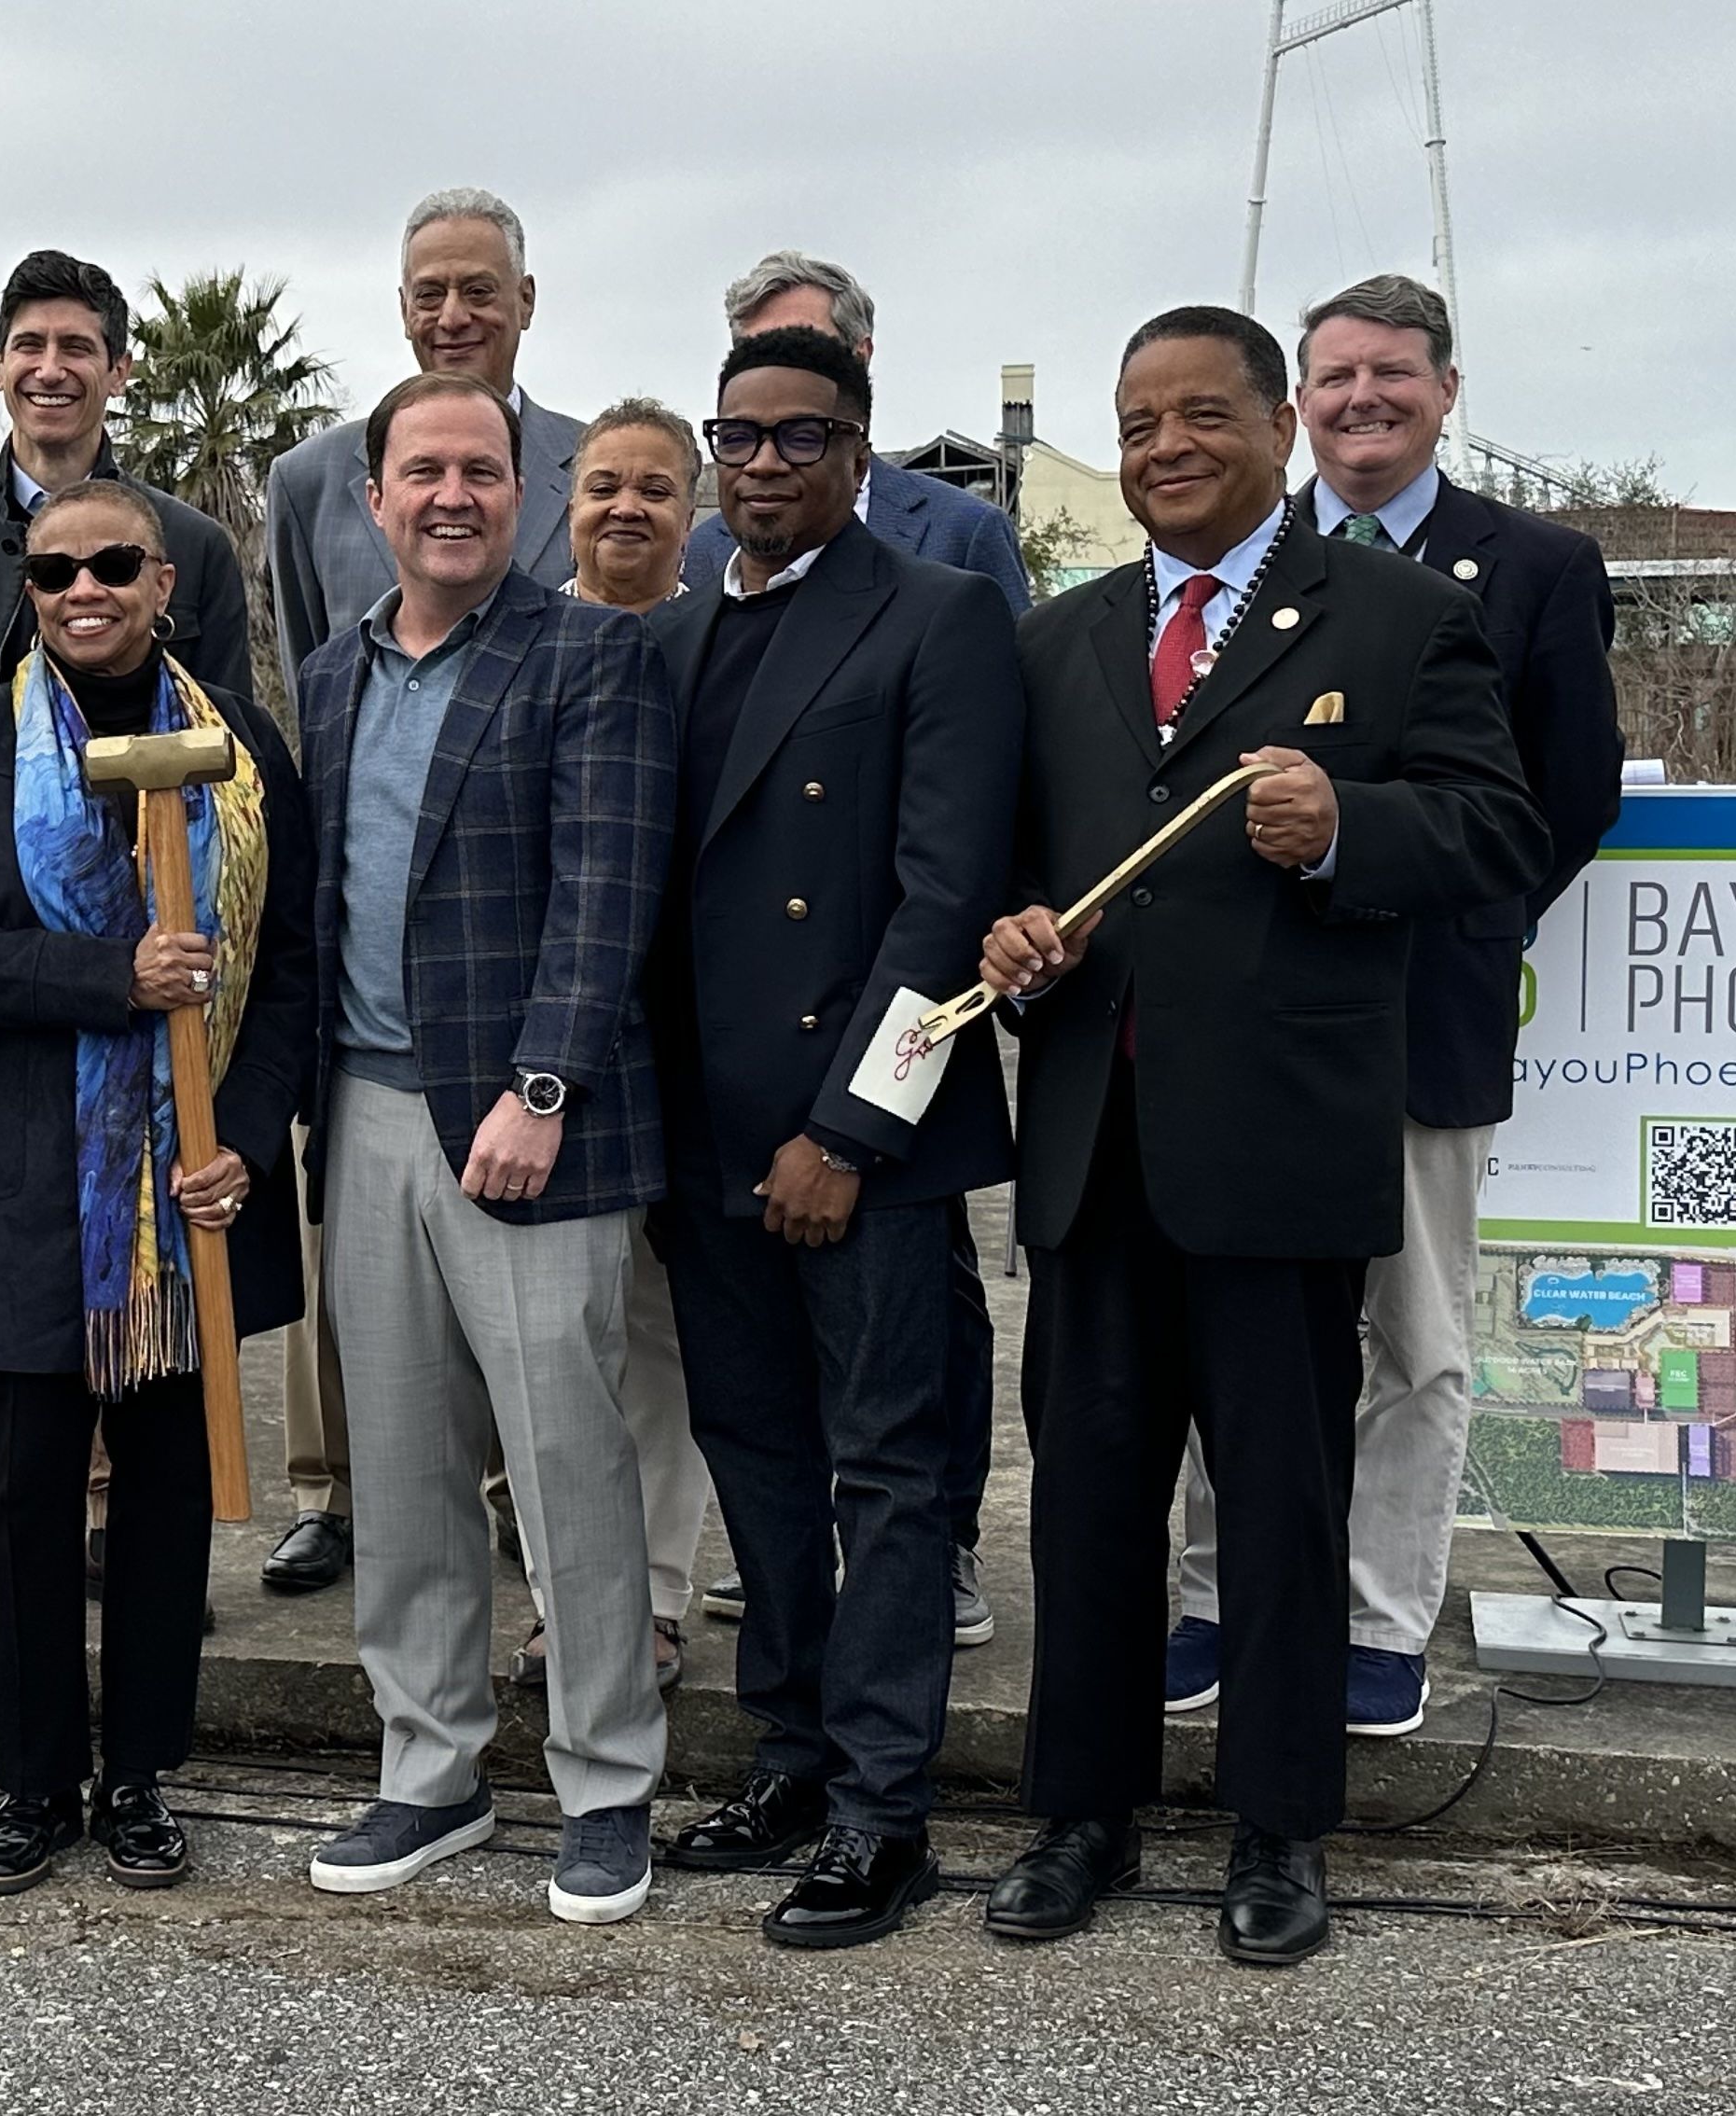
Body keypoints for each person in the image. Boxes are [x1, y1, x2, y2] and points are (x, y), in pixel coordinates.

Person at [974, 306, 1542, 1968]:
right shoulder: (1058, 640)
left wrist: (1345, 825)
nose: (1162, 448)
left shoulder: (1401, 612)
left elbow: (1496, 823)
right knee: (1085, 1488)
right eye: (1137, 421)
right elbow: (1017, 865)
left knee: (1285, 1500)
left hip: (1279, 1141)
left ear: (1281, 425)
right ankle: (1080, 1808)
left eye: (1198, 415)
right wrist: (1014, 946)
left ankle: (1279, 1826)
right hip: (1093, 1132)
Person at [1169, 273, 1624, 1740]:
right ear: (1298, 401)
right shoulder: (1248, 553)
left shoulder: (1538, 564)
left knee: (1413, 1335)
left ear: (1445, 389)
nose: (1363, 400)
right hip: (1248, 1020)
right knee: (1228, 1328)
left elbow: (1564, 796)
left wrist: (1431, 902)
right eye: (1335, 378)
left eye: (1393, 375)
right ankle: (1210, 1598)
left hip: (1424, 1009)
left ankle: (1376, 1621)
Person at [642, 328, 1023, 1949]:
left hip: (849, 1138)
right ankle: (792, 1754)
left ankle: (884, 1805)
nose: (767, 463)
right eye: (741, 434)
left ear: (857, 453)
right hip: (702, 1133)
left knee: (888, 1472)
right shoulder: (666, 636)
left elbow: (942, 899)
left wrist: (848, 1127)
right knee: (760, 1470)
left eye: (802, 437)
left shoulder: (932, 615)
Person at [0, 481, 316, 1894]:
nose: (84, 587)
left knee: (165, 1494)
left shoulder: (239, 752)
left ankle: (139, 1776)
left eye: (113, 562)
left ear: (163, 583)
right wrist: (102, 979)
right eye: (55, 566)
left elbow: (294, 969)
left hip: (188, 1184)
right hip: (23, 1185)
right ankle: (30, 1783)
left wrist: (243, 1136)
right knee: (19, 1500)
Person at [297, 373, 675, 1927]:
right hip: (367, 1106)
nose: (449, 493)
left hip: (527, 1121)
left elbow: (606, 892)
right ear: (373, 497)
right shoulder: (330, 671)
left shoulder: (591, 654)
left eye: (479, 468)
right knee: (397, 1462)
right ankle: (431, 1762)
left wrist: (543, 1084)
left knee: (566, 1458)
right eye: (418, 470)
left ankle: (603, 1776)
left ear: (518, 491)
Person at [0, 249, 257, 1636]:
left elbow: (230, 757)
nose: (52, 366)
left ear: (117, 369)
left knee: (133, 1214)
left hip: (144, 924)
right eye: (27, 342)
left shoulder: (191, 541)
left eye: (78, 344)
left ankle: (116, 1522)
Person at [254, 187, 585, 1597]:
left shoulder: (593, 461)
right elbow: (311, 678)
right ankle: (336, 1493)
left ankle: (531, 1516)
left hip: (526, 988)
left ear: (526, 296)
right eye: (427, 290)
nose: (454, 312)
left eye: (479, 288)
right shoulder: (311, 479)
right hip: (372, 996)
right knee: (369, 1329)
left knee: (558, 1368)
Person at [535, 397, 714, 1691]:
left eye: (657, 488)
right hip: (550, 1043)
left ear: (691, 512)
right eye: (605, 485)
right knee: (558, 1347)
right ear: (568, 499)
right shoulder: (514, 644)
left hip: (701, 1041)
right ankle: (562, 1602)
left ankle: (654, 1595)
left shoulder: (729, 644)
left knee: (662, 1333)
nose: (627, 508)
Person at [675, 252, 1033, 617]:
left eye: (805, 348)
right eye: (755, 355)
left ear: (860, 357)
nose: (777, 372)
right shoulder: (708, 550)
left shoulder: (964, 532)